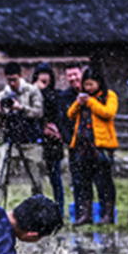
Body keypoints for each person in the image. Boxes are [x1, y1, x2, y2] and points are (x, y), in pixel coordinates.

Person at [67, 67, 118, 225]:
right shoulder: (82, 98)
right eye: (86, 84)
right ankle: (86, 214)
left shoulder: (109, 96)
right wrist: (78, 103)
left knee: (104, 181)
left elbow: (108, 112)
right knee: (84, 181)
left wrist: (91, 102)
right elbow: (70, 114)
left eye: (91, 84)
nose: (88, 88)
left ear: (99, 83)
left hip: (101, 146)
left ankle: (107, 214)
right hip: (83, 146)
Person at [0, 61, 45, 206]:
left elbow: (39, 113)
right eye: (8, 80)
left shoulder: (32, 91)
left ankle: (38, 210)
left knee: (36, 181)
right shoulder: (3, 95)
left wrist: (21, 108)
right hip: (10, 141)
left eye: (14, 79)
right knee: (0, 181)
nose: (11, 83)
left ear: (21, 76)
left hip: (31, 141)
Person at [34, 63, 69, 215]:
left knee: (55, 179)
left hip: (52, 143)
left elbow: (54, 110)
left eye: (46, 74)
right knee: (35, 179)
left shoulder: (56, 94)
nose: (43, 77)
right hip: (35, 140)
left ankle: (59, 211)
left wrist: (45, 91)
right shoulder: (31, 93)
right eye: (40, 74)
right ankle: (36, 210)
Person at [57, 64, 84, 212]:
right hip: (74, 144)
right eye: (69, 75)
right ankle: (80, 211)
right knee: (77, 179)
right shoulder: (64, 97)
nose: (73, 78)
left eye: (75, 74)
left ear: (81, 74)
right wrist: (71, 140)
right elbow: (61, 122)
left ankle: (103, 210)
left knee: (98, 179)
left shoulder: (91, 93)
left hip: (94, 144)